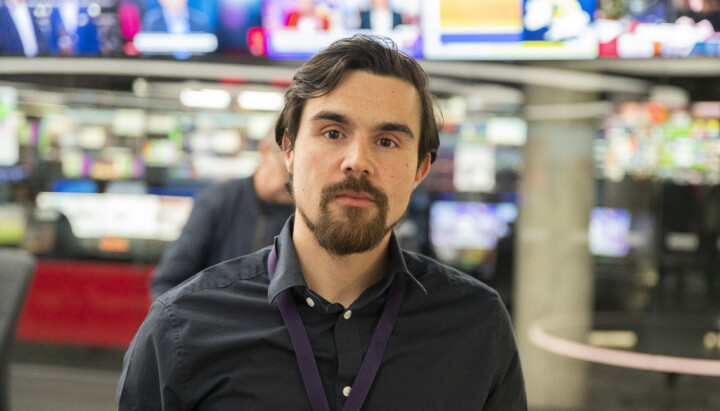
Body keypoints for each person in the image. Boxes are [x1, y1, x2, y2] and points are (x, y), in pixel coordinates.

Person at [118, 34, 526, 409]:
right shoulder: (182, 328)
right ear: (289, 150)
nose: (357, 161)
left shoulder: (475, 326)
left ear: (420, 169)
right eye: (333, 133)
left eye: (387, 142)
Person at [150, 133, 293, 299]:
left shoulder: (301, 217)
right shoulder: (218, 201)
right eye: (286, 170)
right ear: (264, 151)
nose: (292, 182)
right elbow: (168, 282)